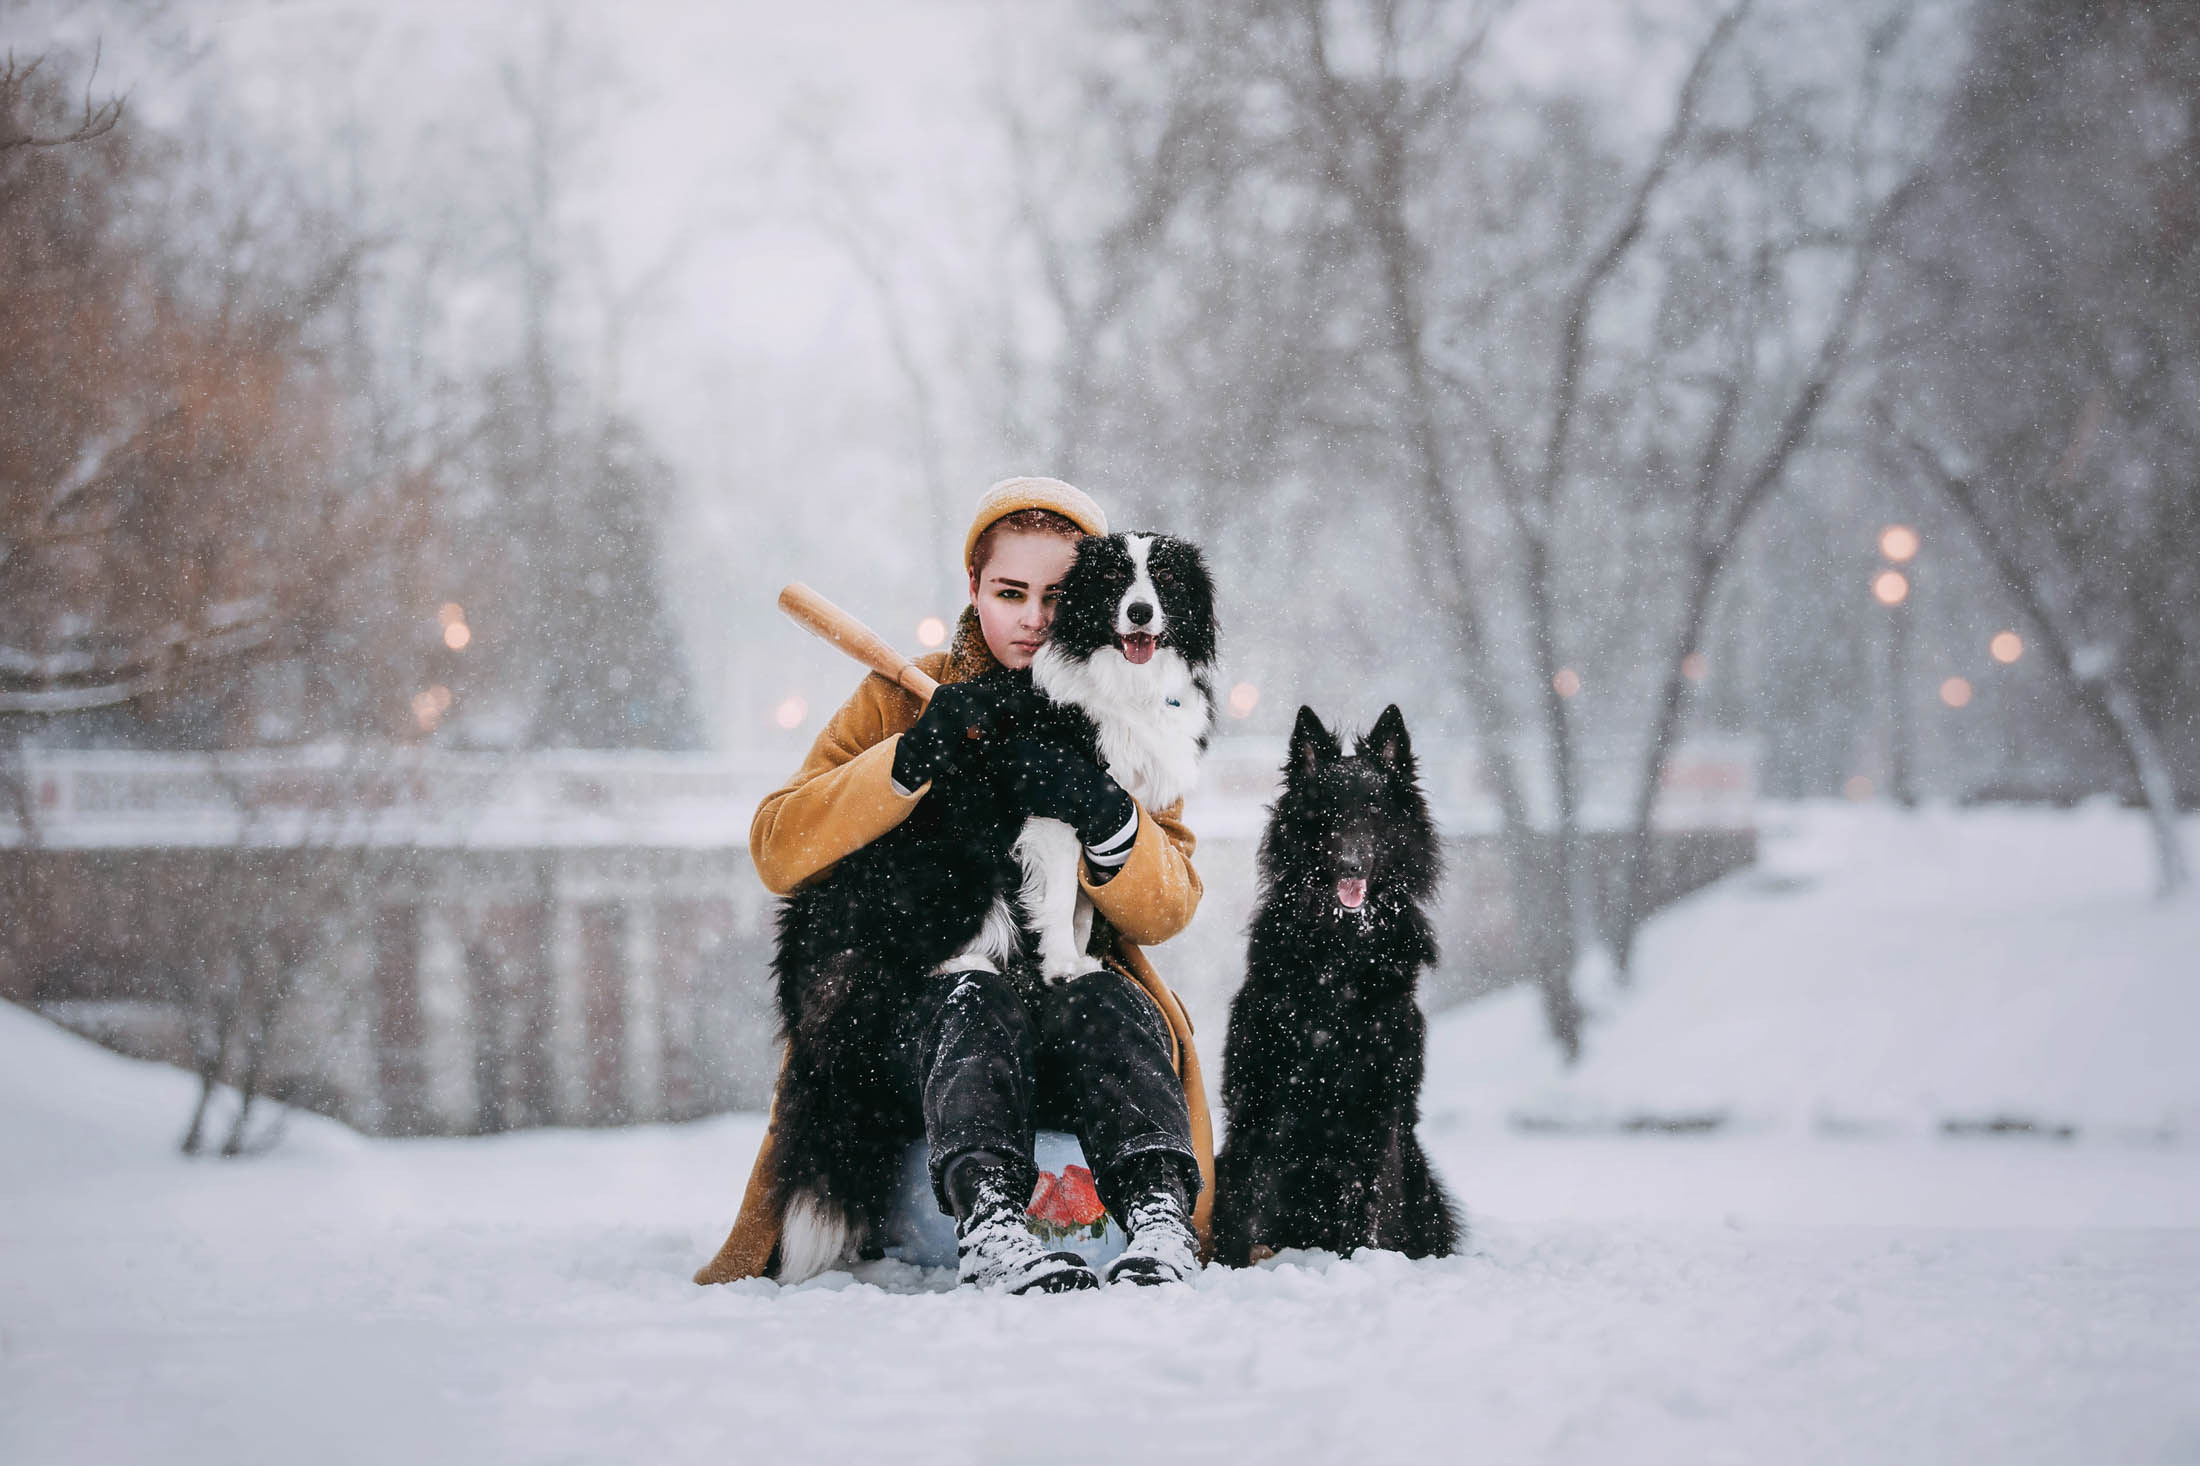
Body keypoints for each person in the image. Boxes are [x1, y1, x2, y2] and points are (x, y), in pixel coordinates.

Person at [693, 476, 1212, 1292]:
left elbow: (1169, 905)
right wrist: (905, 761)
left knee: (1112, 1002)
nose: (1034, 619)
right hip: (927, 1018)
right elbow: (778, 847)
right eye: (1011, 593)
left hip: (1068, 1020)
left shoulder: (1136, 701)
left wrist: (1108, 814)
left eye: (1056, 596)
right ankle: (992, 1226)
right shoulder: (898, 696)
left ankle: (1160, 1219)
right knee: (974, 996)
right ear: (974, 588)